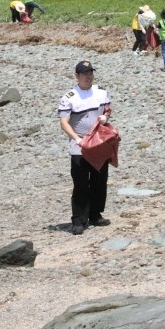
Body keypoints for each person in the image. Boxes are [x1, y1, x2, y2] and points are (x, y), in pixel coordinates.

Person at [58, 60, 112, 235]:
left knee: (99, 180)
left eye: (90, 73)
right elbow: (64, 122)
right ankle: (78, 220)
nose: (88, 77)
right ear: (77, 76)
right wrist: (76, 139)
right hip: (79, 144)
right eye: (84, 74)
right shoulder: (69, 97)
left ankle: (96, 214)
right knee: (80, 183)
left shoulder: (101, 92)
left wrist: (105, 117)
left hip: (98, 141)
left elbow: (107, 109)